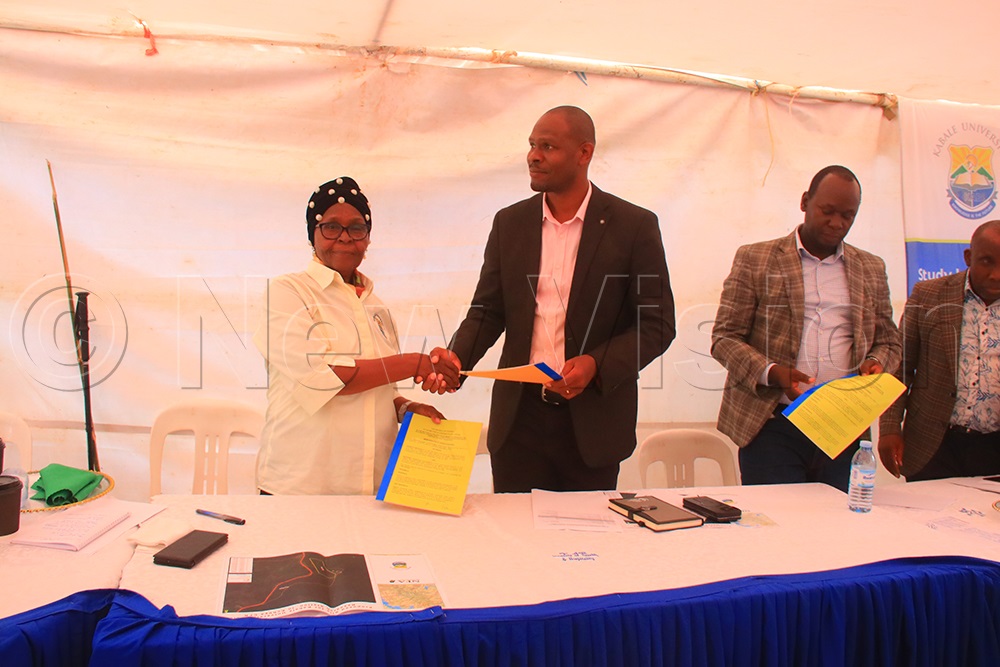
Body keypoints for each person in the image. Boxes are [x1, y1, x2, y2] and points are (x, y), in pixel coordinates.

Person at [431, 106, 676, 493]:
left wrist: (596, 364)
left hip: (593, 424)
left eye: (547, 146)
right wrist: (458, 357)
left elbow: (657, 324)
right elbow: (488, 311)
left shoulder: (633, 226)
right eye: (532, 145)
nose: (534, 156)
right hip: (519, 423)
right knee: (514, 529)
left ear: (584, 153)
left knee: (587, 532)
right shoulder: (510, 223)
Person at [253, 177, 459, 495]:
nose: (345, 237)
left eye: (357, 228)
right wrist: (414, 364)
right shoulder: (288, 292)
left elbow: (381, 391)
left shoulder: (376, 307)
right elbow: (323, 379)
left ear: (368, 237)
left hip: (372, 488)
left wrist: (406, 409)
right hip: (301, 488)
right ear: (312, 234)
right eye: (331, 226)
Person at [711, 165, 901, 492]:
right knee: (778, 519)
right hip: (773, 424)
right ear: (804, 202)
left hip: (843, 428)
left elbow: (889, 342)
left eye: (848, 215)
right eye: (828, 211)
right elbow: (724, 338)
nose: (837, 223)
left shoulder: (871, 267)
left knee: (837, 520)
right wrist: (772, 372)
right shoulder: (756, 258)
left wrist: (876, 363)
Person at [878, 220, 1000, 480]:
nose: (996, 274)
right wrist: (889, 428)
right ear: (968, 257)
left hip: (994, 450)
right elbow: (900, 367)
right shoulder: (928, 295)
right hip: (933, 445)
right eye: (987, 261)